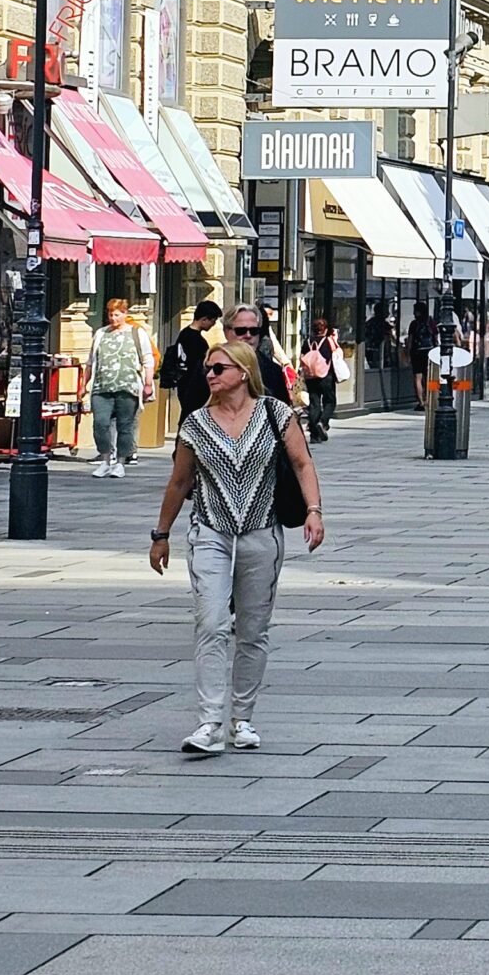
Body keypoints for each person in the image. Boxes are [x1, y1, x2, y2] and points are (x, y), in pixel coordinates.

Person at [147, 339, 324, 757]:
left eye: (218, 368)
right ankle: (209, 721)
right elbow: (179, 482)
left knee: (252, 628)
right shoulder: (194, 423)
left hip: (262, 532)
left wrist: (314, 511)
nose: (210, 375)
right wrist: (161, 534)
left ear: (242, 374)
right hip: (210, 532)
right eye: (208, 369)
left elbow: (302, 463)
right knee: (210, 623)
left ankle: (241, 718)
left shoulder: (275, 414)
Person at [85, 298, 151, 478]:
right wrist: (84, 384)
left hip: (127, 387)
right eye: (110, 314)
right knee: (100, 423)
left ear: (125, 314)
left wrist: (148, 383)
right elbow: (90, 361)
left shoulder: (137, 333)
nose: (113, 318)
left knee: (125, 425)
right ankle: (105, 460)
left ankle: (121, 462)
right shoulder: (100, 334)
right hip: (102, 386)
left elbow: (147, 359)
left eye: (117, 314)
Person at [225, 304, 292, 410]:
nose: (248, 335)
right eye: (240, 331)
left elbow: (284, 413)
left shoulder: (273, 371)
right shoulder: (210, 367)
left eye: (254, 331)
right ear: (226, 332)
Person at [167, 301, 218, 424]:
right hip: (194, 385)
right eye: (213, 320)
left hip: (184, 383)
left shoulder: (184, 334)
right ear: (205, 319)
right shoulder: (197, 341)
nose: (214, 324)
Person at [296, 317, 339, 443]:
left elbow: (302, 356)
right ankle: (323, 422)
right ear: (325, 329)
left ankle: (314, 435)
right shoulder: (328, 341)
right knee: (330, 401)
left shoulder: (308, 341)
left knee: (314, 404)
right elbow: (336, 355)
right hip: (326, 376)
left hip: (311, 376)